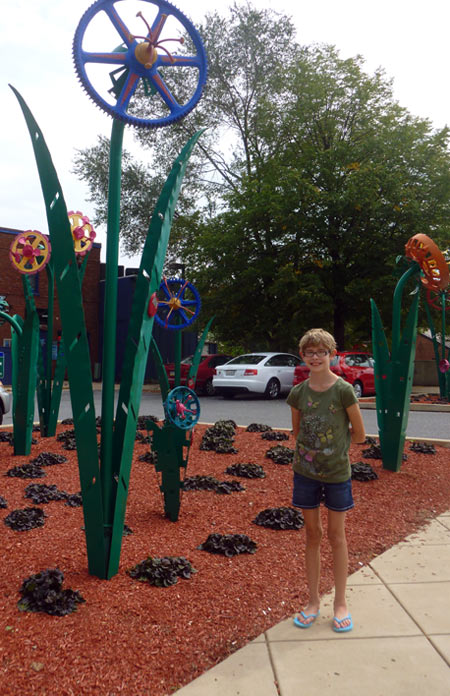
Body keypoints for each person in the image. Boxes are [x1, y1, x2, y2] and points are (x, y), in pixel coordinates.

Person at [286, 328, 366, 633]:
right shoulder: (298, 393)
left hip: (336, 475)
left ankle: (340, 604)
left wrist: (337, 448)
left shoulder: (344, 390)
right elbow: (297, 433)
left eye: (321, 351)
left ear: (331, 354)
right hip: (305, 473)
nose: (315, 357)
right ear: (303, 356)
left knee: (336, 536)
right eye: (310, 352)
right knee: (312, 534)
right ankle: (312, 602)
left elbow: (359, 434)